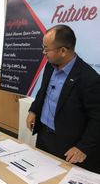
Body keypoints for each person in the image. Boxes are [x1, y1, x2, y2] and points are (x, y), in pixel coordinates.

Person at [26, 24, 100, 173]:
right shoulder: (50, 65)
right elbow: (43, 91)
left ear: (63, 51)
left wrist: (83, 147)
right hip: (43, 136)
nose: (43, 52)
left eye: (47, 49)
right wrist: (33, 110)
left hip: (67, 145)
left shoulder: (89, 79)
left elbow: (97, 118)